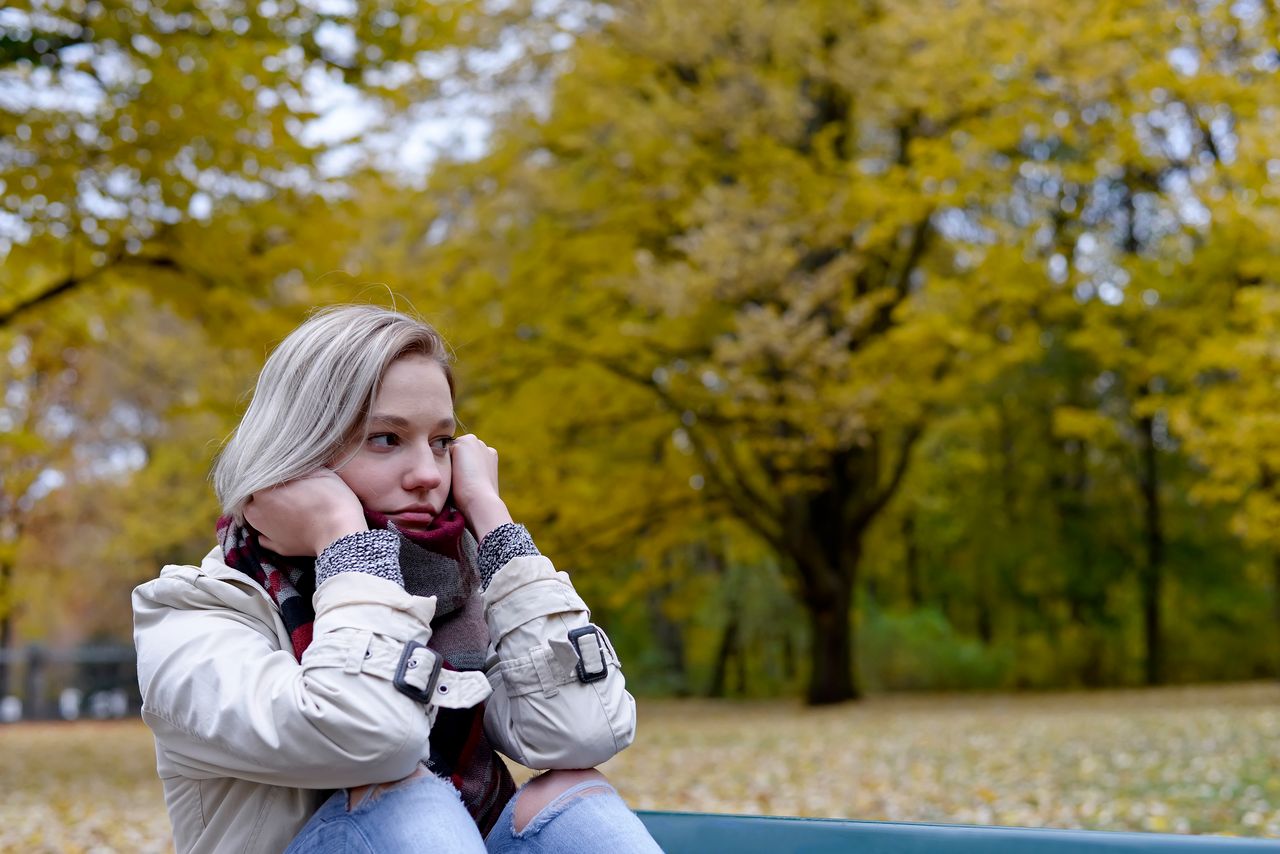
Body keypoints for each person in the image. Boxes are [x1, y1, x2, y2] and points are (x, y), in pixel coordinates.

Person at [133, 305, 661, 853]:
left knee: (571, 793)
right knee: (410, 795)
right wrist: (345, 539)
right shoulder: (194, 615)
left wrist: (495, 524)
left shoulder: (453, 589)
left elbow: (581, 732)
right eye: (386, 438)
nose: (429, 475)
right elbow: (376, 739)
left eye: (441, 442)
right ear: (298, 449)